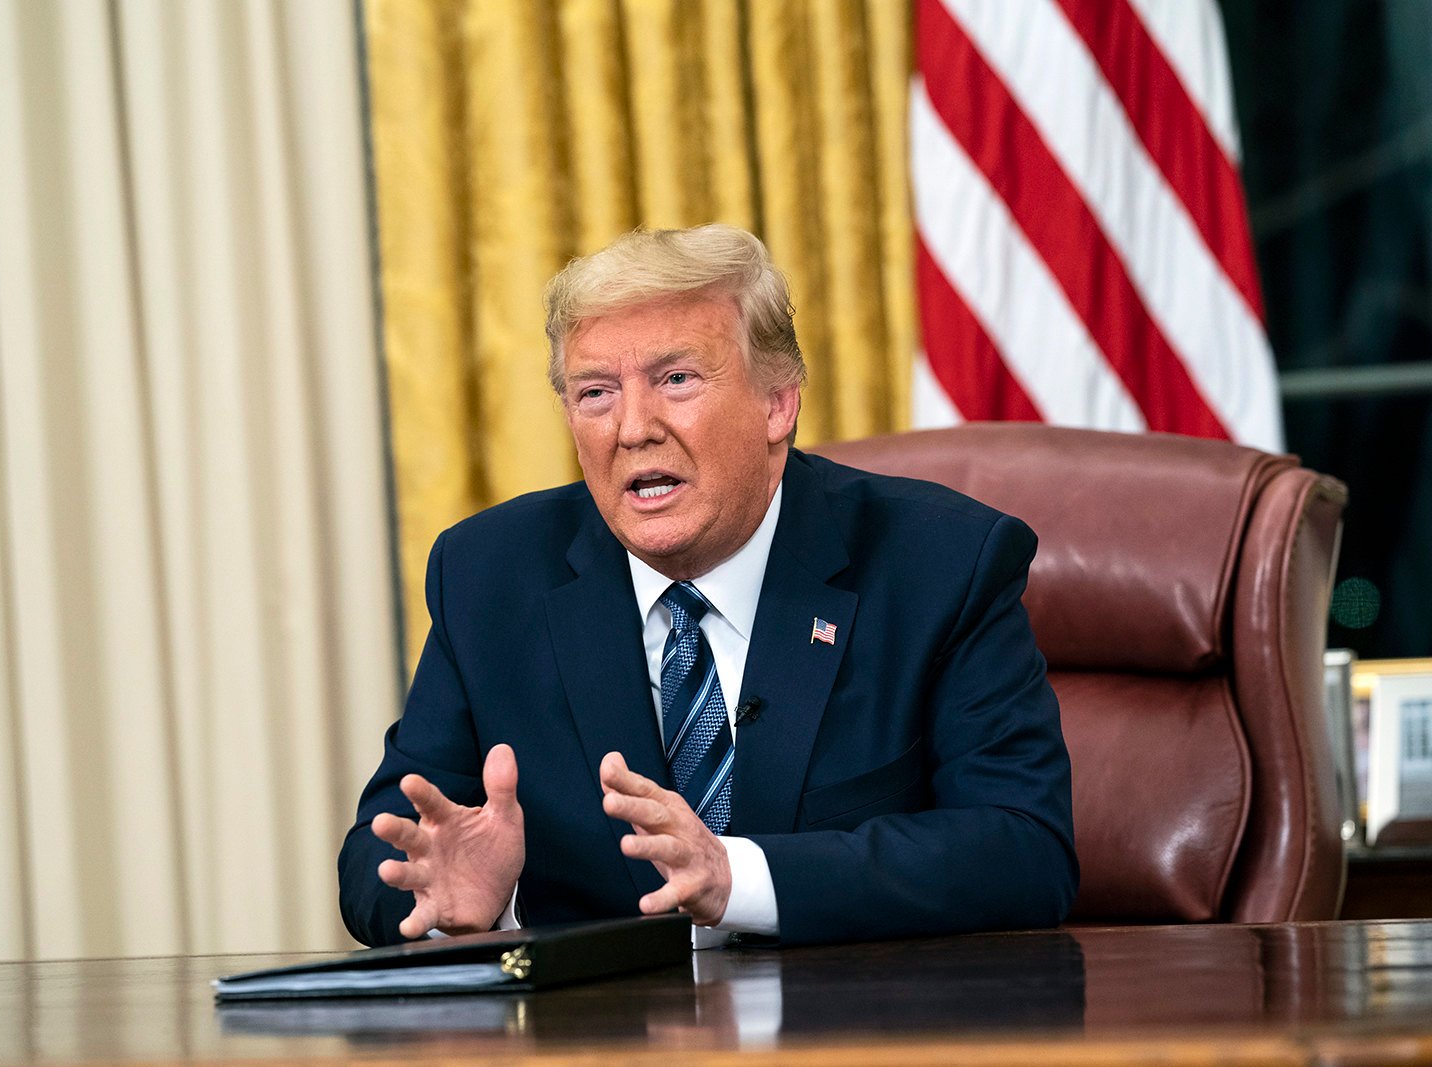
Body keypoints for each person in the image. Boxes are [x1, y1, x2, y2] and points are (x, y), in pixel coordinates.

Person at [338, 224, 1077, 948]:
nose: (632, 428)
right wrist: (460, 905)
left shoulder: (939, 564)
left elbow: (1024, 847)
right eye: (595, 393)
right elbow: (384, 855)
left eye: (676, 379)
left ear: (776, 404)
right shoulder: (489, 576)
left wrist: (740, 878)